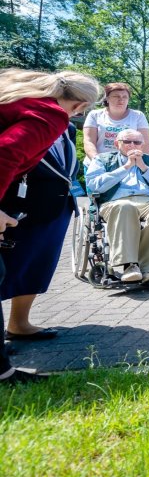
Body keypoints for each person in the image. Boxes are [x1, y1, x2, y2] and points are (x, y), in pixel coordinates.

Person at [0, 68, 101, 385]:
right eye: (83, 105)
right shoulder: (49, 114)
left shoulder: (23, 102)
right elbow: (6, 152)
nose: (81, 113)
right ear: (76, 100)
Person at [1, 123, 80, 341]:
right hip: (16, 208)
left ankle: (19, 323)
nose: (81, 107)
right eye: (77, 100)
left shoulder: (69, 128)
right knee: (9, 267)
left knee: (37, 266)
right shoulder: (16, 121)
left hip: (55, 208)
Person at [85, 129, 149, 284]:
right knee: (125, 206)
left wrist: (143, 167)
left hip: (147, 200)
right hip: (114, 201)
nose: (132, 145)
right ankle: (129, 266)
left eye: (137, 142)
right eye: (127, 142)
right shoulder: (102, 160)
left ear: (143, 144)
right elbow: (94, 185)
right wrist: (125, 167)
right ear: (117, 143)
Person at [83, 82, 149, 160]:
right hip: (97, 162)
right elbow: (89, 141)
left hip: (129, 164)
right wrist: (97, 161)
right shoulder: (94, 115)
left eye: (125, 97)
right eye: (116, 96)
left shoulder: (138, 116)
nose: (121, 99)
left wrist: (146, 164)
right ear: (107, 99)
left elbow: (145, 144)